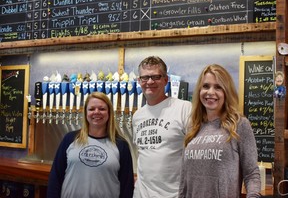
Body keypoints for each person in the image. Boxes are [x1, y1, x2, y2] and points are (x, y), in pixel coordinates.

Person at [178, 64, 261, 198]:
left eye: (218, 87)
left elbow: (251, 173)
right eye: (205, 86)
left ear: (226, 92)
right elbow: (184, 180)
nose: (210, 92)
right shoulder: (192, 128)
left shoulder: (239, 124)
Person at [47, 92, 134, 198]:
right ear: (85, 113)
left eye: (102, 109)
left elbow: (127, 186)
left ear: (109, 113)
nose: (96, 112)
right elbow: (55, 177)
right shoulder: (70, 139)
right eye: (91, 109)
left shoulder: (121, 145)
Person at [132, 56, 192, 198]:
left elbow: (196, 155)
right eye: (145, 77)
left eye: (156, 77)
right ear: (139, 81)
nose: (150, 82)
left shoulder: (184, 108)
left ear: (166, 80)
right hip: (141, 194)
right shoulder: (137, 116)